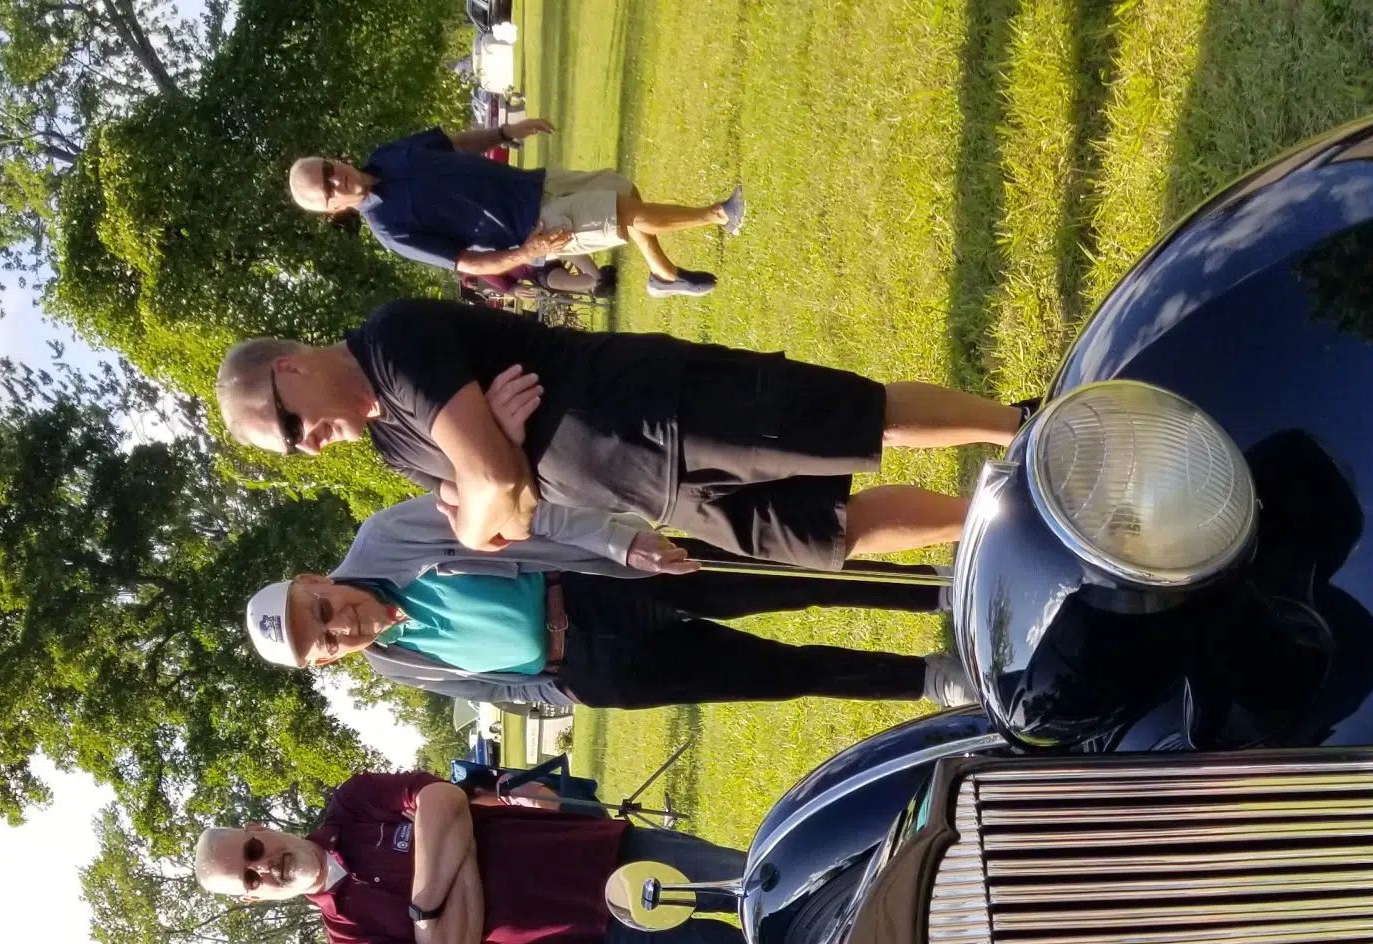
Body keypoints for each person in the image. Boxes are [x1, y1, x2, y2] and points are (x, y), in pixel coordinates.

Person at [213, 301, 1020, 563]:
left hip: (662, 406)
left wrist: (494, 475)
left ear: (290, 370)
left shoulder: (392, 342)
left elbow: (494, 495)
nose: (307, 445)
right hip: (652, 495)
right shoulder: (393, 445)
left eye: (290, 427)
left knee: (854, 421)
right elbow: (501, 532)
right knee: (830, 535)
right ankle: (1003, 514)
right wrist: (489, 439)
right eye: (292, 452)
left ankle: (1018, 427)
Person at [242, 492, 961, 712]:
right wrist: (564, 698)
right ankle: (929, 679)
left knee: (780, 579)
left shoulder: (388, 535)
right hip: (592, 670)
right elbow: (496, 689)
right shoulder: (395, 665)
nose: (340, 629)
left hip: (600, 583)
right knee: (776, 674)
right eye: (325, 646)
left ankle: (935, 590)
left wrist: (620, 544)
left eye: (323, 614)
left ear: (313, 580)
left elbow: (526, 515)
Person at [190, 770, 760, 944]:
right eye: (250, 877)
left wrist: (425, 911)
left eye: (253, 850)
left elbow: (442, 797)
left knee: (760, 877)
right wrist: (453, 844)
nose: (263, 866)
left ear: (260, 829)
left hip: (603, 854)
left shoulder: (353, 804)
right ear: (252, 898)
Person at [288, 115, 747, 298]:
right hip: (534, 225)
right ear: (333, 210)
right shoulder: (391, 229)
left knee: (623, 191)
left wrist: (508, 134)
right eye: (328, 190)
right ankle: (720, 214)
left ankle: (663, 278)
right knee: (623, 215)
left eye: (328, 169)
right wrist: (529, 253)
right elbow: (467, 262)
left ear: (335, 158)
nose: (336, 180)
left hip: (533, 183)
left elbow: (454, 144)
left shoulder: (387, 154)